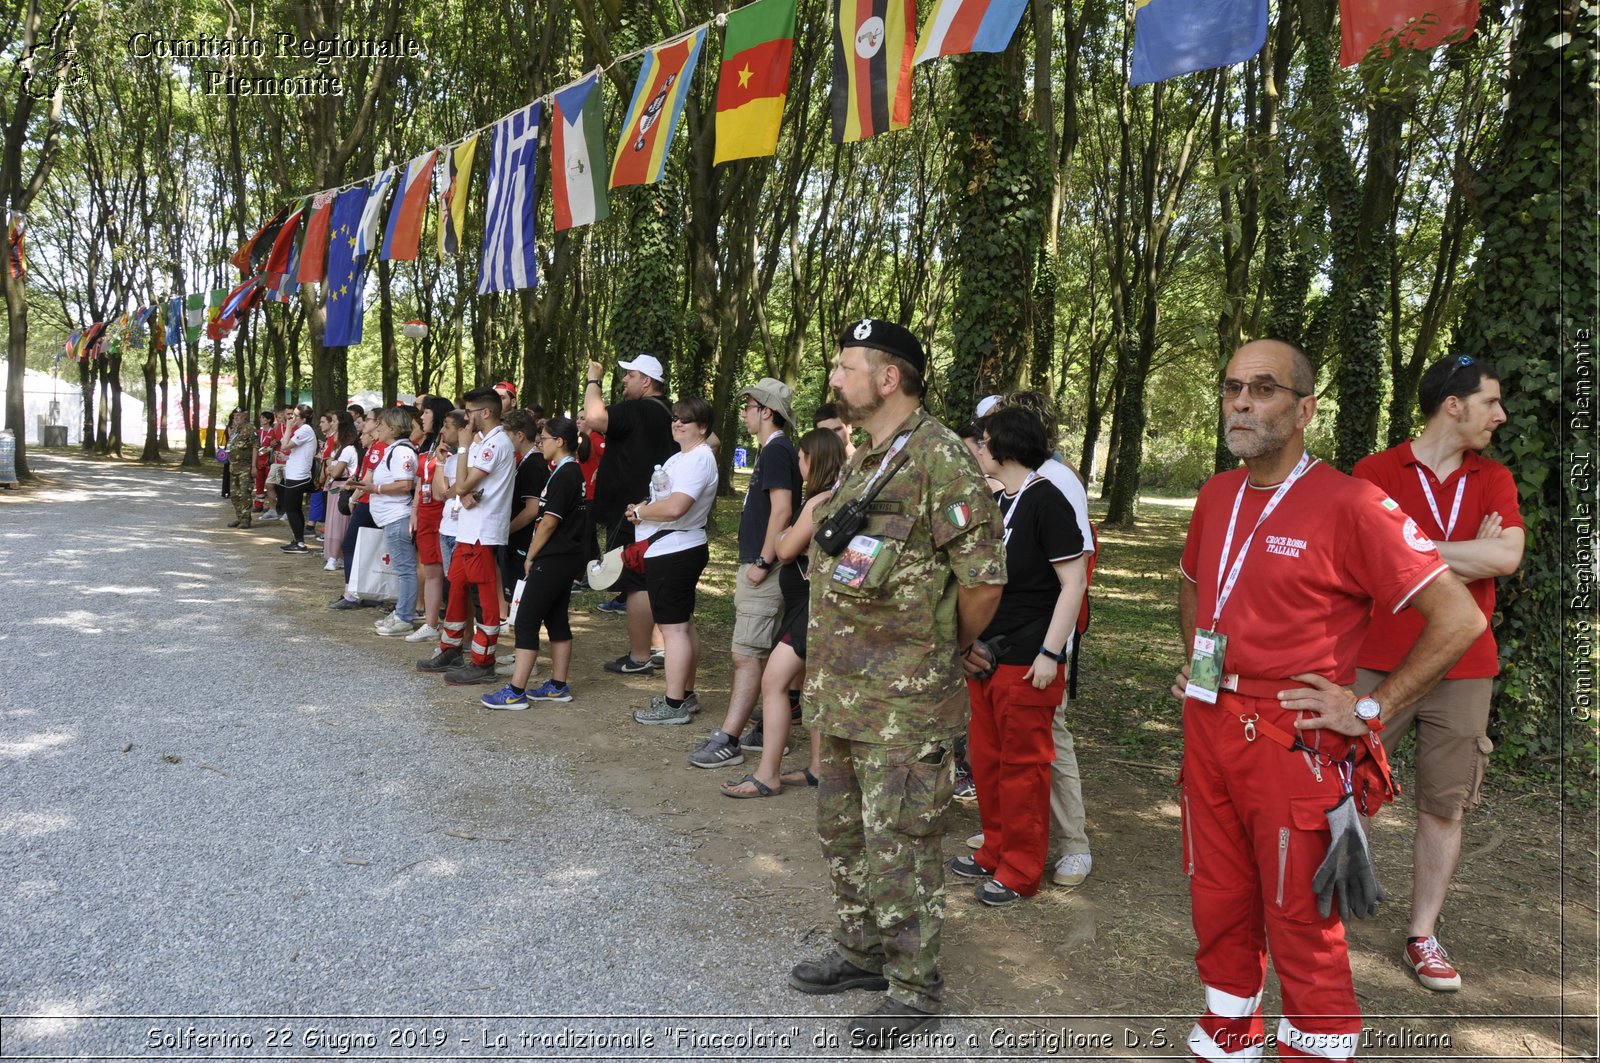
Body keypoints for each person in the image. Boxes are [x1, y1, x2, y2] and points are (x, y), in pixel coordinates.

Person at [1172, 338, 1483, 1063]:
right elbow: (1192, 584)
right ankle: (1226, 1039)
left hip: (1292, 742)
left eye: (1262, 389)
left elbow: (1459, 617)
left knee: (1300, 918)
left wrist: (1369, 708)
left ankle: (1316, 1047)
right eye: (1231, 387)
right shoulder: (1217, 493)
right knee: (1218, 899)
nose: (1241, 401)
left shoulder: (1351, 501)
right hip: (1210, 724)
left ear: (1305, 408)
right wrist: (1197, 662)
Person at [786, 319, 1005, 1045]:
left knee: (902, 844)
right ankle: (862, 953)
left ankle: (914, 989)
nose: (834, 379)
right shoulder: (867, 456)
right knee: (842, 828)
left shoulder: (942, 458)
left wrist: (948, 645)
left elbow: (983, 581)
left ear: (889, 378)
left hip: (907, 701)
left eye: (846, 366)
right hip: (846, 691)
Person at [1351, 354, 1524, 992]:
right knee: (1347, 786)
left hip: (1465, 665)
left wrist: (1412, 550)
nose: (1499, 415)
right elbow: (1362, 563)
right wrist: (1462, 555)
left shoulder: (1494, 478)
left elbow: (1506, 556)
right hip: (1378, 661)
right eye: (1490, 402)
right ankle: (1326, 912)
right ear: (1453, 404)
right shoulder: (1373, 473)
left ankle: (1423, 935)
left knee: (1445, 805)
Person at [946, 406, 1087, 907]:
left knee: (1024, 767)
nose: (977, 449)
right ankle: (995, 849)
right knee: (987, 760)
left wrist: (1051, 652)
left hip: (1029, 658)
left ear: (1005, 447)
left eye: (982, 442)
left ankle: (1021, 870)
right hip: (985, 656)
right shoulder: (998, 499)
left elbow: (1074, 583)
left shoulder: (1046, 499)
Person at [1000, 389, 1098, 887]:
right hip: (1016, 642)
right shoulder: (1009, 488)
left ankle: (1073, 844)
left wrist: (1051, 648)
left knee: (1048, 743)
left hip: (1045, 641)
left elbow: (1073, 575)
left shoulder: (1056, 484)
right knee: (1016, 746)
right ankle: (1010, 835)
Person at [721, 427, 846, 798]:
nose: (798, 464)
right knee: (811, 687)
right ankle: (818, 768)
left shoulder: (818, 501)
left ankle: (767, 774)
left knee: (773, 683)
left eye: (802, 457)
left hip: (808, 610)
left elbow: (787, 549)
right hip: (814, 607)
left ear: (815, 461)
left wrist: (782, 536)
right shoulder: (838, 496)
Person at [689, 378, 801, 767]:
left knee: (746, 655)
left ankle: (729, 739)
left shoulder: (776, 452)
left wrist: (763, 562)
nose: (744, 412)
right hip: (762, 564)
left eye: (749, 406)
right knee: (759, 653)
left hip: (763, 567)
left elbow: (783, 511)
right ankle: (766, 731)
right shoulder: (776, 451)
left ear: (766, 411)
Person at [481, 416, 588, 709]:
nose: (540, 442)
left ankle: (516, 691)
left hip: (554, 557)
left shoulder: (566, 474)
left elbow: (549, 522)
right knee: (556, 619)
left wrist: (530, 555)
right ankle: (558, 685)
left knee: (527, 619)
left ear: (560, 442)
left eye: (544, 438)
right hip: (566, 556)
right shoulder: (567, 472)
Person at [628, 397, 720, 725]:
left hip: (675, 550)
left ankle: (674, 703)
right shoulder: (682, 457)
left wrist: (641, 512)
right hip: (670, 548)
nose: (677, 423)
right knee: (682, 624)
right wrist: (643, 509)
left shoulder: (698, 459)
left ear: (703, 427)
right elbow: (662, 501)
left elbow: (676, 507)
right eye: (676, 418)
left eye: (686, 420)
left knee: (673, 630)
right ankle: (685, 694)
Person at [582, 354, 676, 664]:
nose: (624, 380)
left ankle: (639, 657)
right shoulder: (672, 413)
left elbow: (594, 418)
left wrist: (593, 379)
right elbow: (712, 441)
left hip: (635, 514)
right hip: (659, 510)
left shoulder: (638, 410)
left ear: (646, 381)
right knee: (653, 578)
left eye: (630, 375)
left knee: (639, 585)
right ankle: (661, 646)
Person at [420, 388, 516, 685]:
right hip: (467, 530)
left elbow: (460, 486)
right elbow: (464, 485)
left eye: (471, 411)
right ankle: (451, 649)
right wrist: (463, 480)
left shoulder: (495, 443)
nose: (467, 417)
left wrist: (462, 448)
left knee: (486, 598)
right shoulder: (483, 442)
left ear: (485, 413)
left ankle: (483, 662)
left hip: (482, 532)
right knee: (457, 588)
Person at [352, 408, 419, 637]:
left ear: (392, 428)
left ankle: (404, 617)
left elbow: (405, 484)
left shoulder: (401, 452)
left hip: (397, 516)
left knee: (405, 570)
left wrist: (375, 489)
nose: (376, 429)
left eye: (381, 424)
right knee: (402, 569)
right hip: (390, 517)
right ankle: (401, 613)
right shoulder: (394, 450)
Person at [407, 399, 456, 643]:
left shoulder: (451, 446)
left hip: (443, 514)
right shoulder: (428, 445)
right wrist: (414, 511)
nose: (421, 417)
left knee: (450, 572)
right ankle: (430, 623)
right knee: (430, 568)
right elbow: (420, 482)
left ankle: (456, 627)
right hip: (425, 515)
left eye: (425, 412)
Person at [501, 410, 550, 615]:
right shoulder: (526, 462)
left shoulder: (533, 465)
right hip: (519, 540)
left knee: (518, 589)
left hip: (522, 541)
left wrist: (505, 531)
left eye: (507, 435)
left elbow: (531, 510)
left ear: (519, 435)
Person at [321, 412, 360, 572]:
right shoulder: (340, 447)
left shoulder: (348, 449)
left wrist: (331, 468)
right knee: (332, 521)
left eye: (335, 421)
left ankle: (335, 556)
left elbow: (335, 471)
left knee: (338, 523)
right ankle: (335, 555)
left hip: (341, 487)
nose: (333, 424)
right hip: (335, 486)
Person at [276, 405, 318, 553]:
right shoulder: (302, 431)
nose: (291, 418)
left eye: (294, 415)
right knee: (295, 509)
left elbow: (284, 445)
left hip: (298, 477)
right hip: (295, 473)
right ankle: (298, 540)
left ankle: (300, 543)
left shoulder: (305, 430)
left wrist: (288, 427)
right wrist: (288, 458)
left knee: (291, 509)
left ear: (303, 418)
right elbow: (299, 453)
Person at [226, 410, 256, 528]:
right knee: (234, 494)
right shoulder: (235, 430)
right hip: (234, 467)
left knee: (245, 493)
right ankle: (239, 517)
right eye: (234, 416)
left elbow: (255, 447)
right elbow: (231, 446)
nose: (236, 418)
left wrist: (254, 466)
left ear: (245, 416)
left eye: (238, 415)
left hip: (245, 467)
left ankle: (246, 519)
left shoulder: (250, 429)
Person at [255, 411, 279, 518]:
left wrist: (269, 448)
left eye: (263, 418)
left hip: (268, 461)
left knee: (270, 485)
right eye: (261, 417)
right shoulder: (258, 432)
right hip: (258, 461)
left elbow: (274, 445)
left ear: (269, 420)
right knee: (259, 483)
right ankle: (258, 504)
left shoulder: (272, 432)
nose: (261, 419)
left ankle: (272, 507)